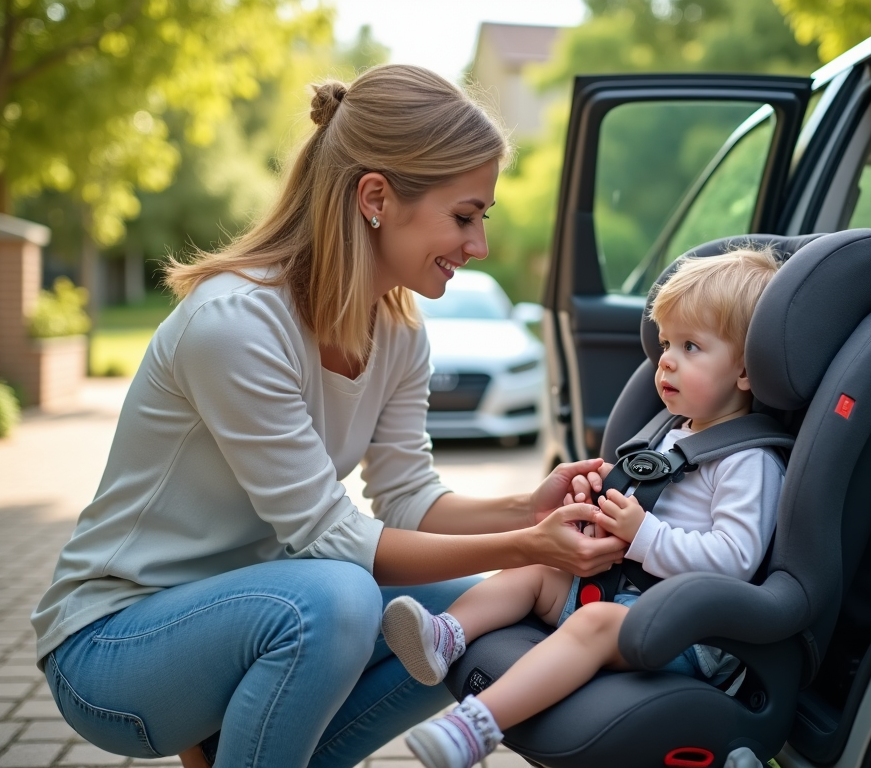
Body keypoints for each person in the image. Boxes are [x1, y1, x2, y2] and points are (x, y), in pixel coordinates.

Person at [30, 64, 628, 768]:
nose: (479, 246)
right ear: (375, 196)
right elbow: (330, 539)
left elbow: (405, 498)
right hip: (111, 648)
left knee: (466, 611)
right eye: (464, 216)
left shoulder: (399, 331)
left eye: (482, 220)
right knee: (338, 597)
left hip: (255, 611)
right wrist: (531, 547)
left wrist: (527, 510)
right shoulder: (238, 323)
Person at [381, 247, 788, 768]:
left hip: (686, 633)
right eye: (666, 343)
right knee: (534, 565)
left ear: (746, 372)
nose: (666, 359)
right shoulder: (671, 434)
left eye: (691, 346)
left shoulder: (747, 461)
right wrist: (597, 514)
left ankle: (474, 727)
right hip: (626, 594)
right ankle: (447, 636)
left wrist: (644, 535)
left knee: (591, 622)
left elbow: (734, 561)